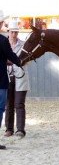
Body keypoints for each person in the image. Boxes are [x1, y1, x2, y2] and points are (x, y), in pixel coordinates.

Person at [4, 21, 30, 139]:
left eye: (16, 32)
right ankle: (9, 129)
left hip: (20, 76)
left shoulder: (24, 45)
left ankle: (20, 130)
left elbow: (26, 60)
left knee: (19, 104)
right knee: (8, 104)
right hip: (6, 76)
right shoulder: (4, 44)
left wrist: (13, 63)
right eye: (12, 32)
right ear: (8, 32)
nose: (14, 34)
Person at [0, 10, 21, 150]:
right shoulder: (2, 40)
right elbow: (11, 55)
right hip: (0, 80)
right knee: (0, 109)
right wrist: (19, 61)